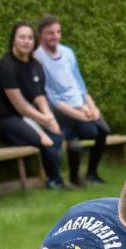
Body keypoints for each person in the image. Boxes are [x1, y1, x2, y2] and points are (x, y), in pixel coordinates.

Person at [35, 14, 110, 187]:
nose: (55, 36)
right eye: (50, 33)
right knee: (88, 132)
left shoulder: (68, 52)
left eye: (58, 32)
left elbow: (79, 83)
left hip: (80, 105)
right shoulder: (38, 57)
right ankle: (74, 177)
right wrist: (80, 115)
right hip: (61, 110)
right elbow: (51, 97)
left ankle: (91, 174)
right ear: (41, 36)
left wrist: (92, 107)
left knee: (103, 130)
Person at [0, 22, 67, 189]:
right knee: (46, 140)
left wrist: (50, 118)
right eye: (22, 37)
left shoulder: (35, 65)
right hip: (8, 120)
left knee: (57, 135)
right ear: (13, 40)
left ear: (34, 41)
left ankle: (56, 178)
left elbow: (39, 96)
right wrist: (44, 122)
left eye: (30, 37)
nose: (26, 41)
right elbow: (20, 107)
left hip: (29, 117)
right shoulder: (6, 66)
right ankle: (54, 180)